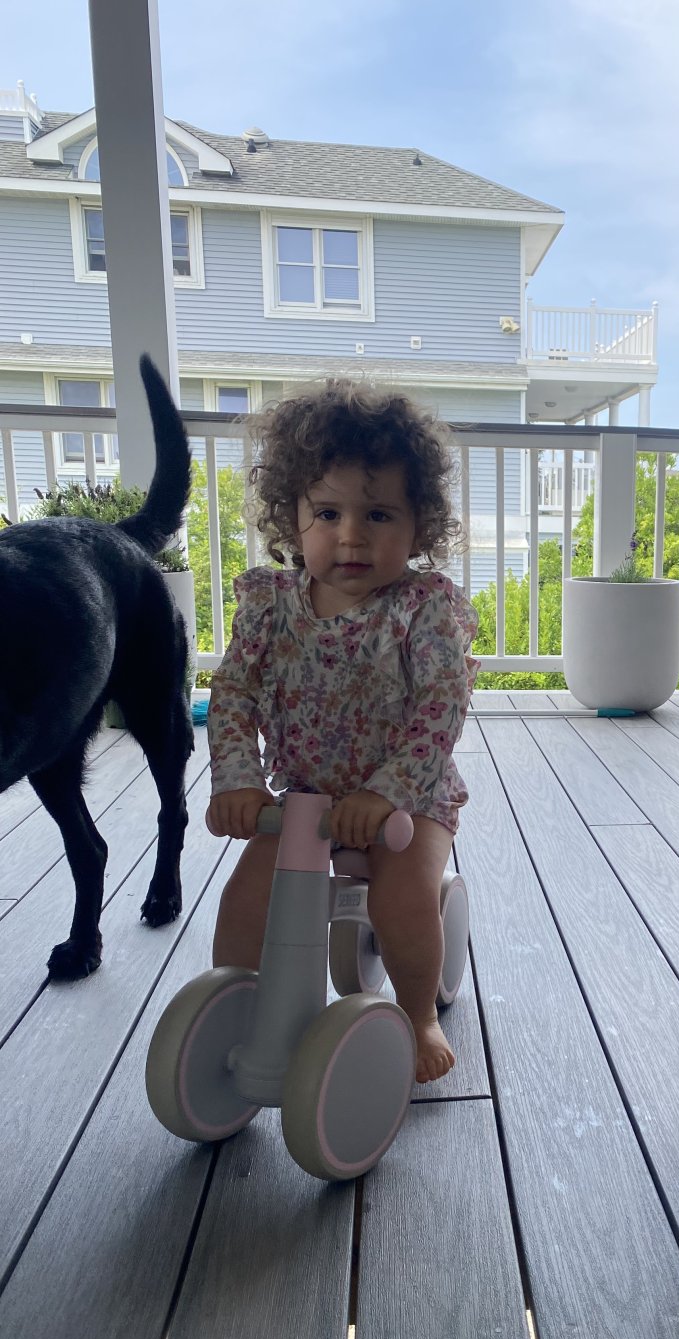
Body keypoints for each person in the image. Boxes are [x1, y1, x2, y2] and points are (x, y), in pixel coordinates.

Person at [206, 379, 478, 1084]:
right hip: (303, 799)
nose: (351, 535)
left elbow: (440, 706)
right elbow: (233, 692)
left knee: (402, 892)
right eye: (327, 511)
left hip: (406, 801)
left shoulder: (422, 611)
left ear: (419, 524)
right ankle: (234, 1004)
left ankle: (416, 1012)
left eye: (379, 513)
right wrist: (238, 779)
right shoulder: (271, 606)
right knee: (248, 895)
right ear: (291, 515)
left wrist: (390, 791)